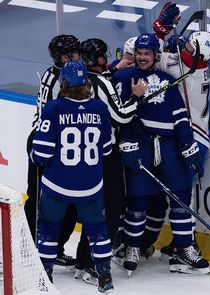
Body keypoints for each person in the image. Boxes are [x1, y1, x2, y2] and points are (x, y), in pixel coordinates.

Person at [112, 32, 210, 276]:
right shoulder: (124, 77)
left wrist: (189, 148)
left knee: (180, 198)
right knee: (138, 200)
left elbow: (179, 115)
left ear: (156, 55)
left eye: (147, 54)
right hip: (141, 145)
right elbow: (120, 113)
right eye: (140, 53)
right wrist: (128, 143)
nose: (143, 58)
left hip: (169, 146)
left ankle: (185, 248)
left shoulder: (167, 80)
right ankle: (132, 247)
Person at [30, 60, 114, 293]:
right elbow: (106, 149)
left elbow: (41, 152)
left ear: (63, 83)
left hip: (57, 185)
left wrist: (33, 154)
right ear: (86, 83)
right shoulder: (99, 108)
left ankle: (45, 275)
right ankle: (104, 276)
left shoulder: (54, 108)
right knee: (98, 231)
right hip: (90, 187)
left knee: (48, 229)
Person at [74, 38, 146, 284]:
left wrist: (114, 70)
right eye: (103, 56)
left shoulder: (75, 80)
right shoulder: (102, 83)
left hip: (83, 157)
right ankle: (94, 265)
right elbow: (121, 115)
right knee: (111, 209)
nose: (107, 59)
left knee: (92, 209)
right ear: (98, 59)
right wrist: (137, 97)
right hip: (105, 156)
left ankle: (82, 261)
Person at [145, 27, 210, 265]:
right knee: (178, 195)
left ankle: (186, 244)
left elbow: (154, 58)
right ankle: (180, 243)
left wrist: (161, 38)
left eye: (188, 47)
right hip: (195, 137)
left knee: (182, 197)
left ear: (197, 56)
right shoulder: (196, 66)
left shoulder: (188, 72)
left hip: (191, 141)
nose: (183, 47)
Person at [25, 34, 80, 267]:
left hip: (63, 146)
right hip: (45, 143)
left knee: (69, 202)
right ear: (58, 57)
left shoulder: (67, 73)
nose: (74, 58)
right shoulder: (57, 77)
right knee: (39, 200)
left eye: (76, 53)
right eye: (69, 54)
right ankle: (26, 247)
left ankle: (53, 247)